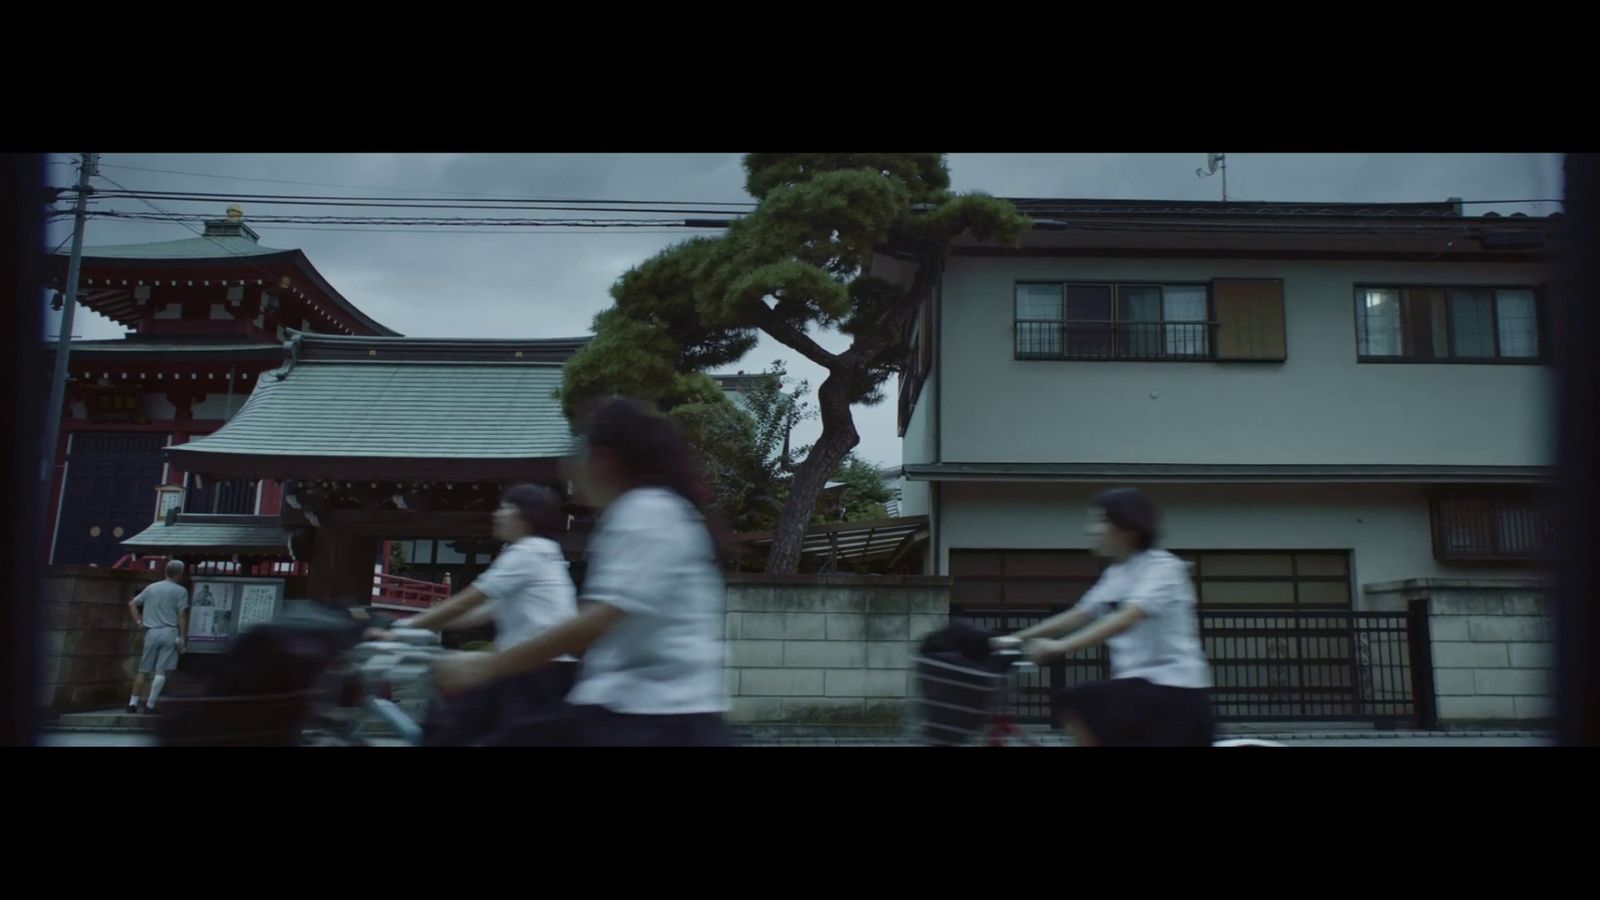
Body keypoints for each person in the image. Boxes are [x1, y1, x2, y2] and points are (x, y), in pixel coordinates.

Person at [434, 397, 732, 746]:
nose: (571, 467)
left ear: (603, 459)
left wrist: (483, 666)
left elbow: (596, 621)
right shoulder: (652, 512)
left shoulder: (646, 513)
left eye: (579, 454)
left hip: (652, 717)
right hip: (634, 710)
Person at [1000, 489, 1213, 747]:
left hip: (1176, 693)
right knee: (1075, 703)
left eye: (1101, 521)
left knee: (1079, 700)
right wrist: (1010, 639)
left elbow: (1127, 616)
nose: (1092, 530)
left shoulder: (1163, 568)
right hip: (1141, 692)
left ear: (1128, 527)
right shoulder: (1116, 574)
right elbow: (1080, 614)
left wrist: (1061, 646)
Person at [370, 484, 579, 746]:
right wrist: (418, 625)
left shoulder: (529, 552)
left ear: (526, 515)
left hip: (534, 671)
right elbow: (479, 613)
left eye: (505, 507)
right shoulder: (543, 554)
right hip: (540, 668)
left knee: (458, 727)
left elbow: (467, 600)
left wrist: (400, 628)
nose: (497, 514)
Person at [127, 560, 191, 715]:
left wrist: (138, 622)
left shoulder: (151, 588)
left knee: (143, 669)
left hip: (152, 631)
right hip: (170, 632)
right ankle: (150, 705)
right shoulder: (181, 591)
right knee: (160, 671)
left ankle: (132, 703)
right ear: (179, 573)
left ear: (166, 571)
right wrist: (182, 637)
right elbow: (181, 615)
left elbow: (132, 604)